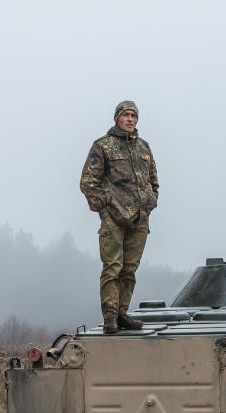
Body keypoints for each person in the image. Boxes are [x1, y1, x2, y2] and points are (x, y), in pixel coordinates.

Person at [80, 100, 159, 334]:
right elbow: (88, 182)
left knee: (129, 269)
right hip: (114, 218)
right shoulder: (103, 146)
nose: (130, 119)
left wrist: (151, 202)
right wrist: (105, 209)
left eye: (133, 115)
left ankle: (123, 312)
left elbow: (153, 180)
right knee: (112, 267)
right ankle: (110, 317)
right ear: (117, 118)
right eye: (125, 115)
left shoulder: (143, 147)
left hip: (140, 218)